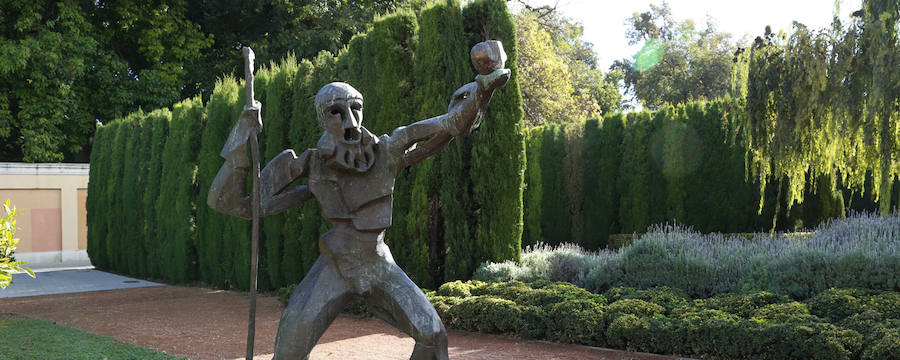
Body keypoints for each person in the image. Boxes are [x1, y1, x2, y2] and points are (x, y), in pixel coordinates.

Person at [208, 41, 509, 360]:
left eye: (356, 109)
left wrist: (484, 88)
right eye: (337, 113)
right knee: (289, 350)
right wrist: (240, 140)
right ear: (322, 119)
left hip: (378, 263)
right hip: (334, 266)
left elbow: (450, 125)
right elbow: (233, 204)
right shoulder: (306, 164)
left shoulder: (389, 150)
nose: (351, 123)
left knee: (432, 335)